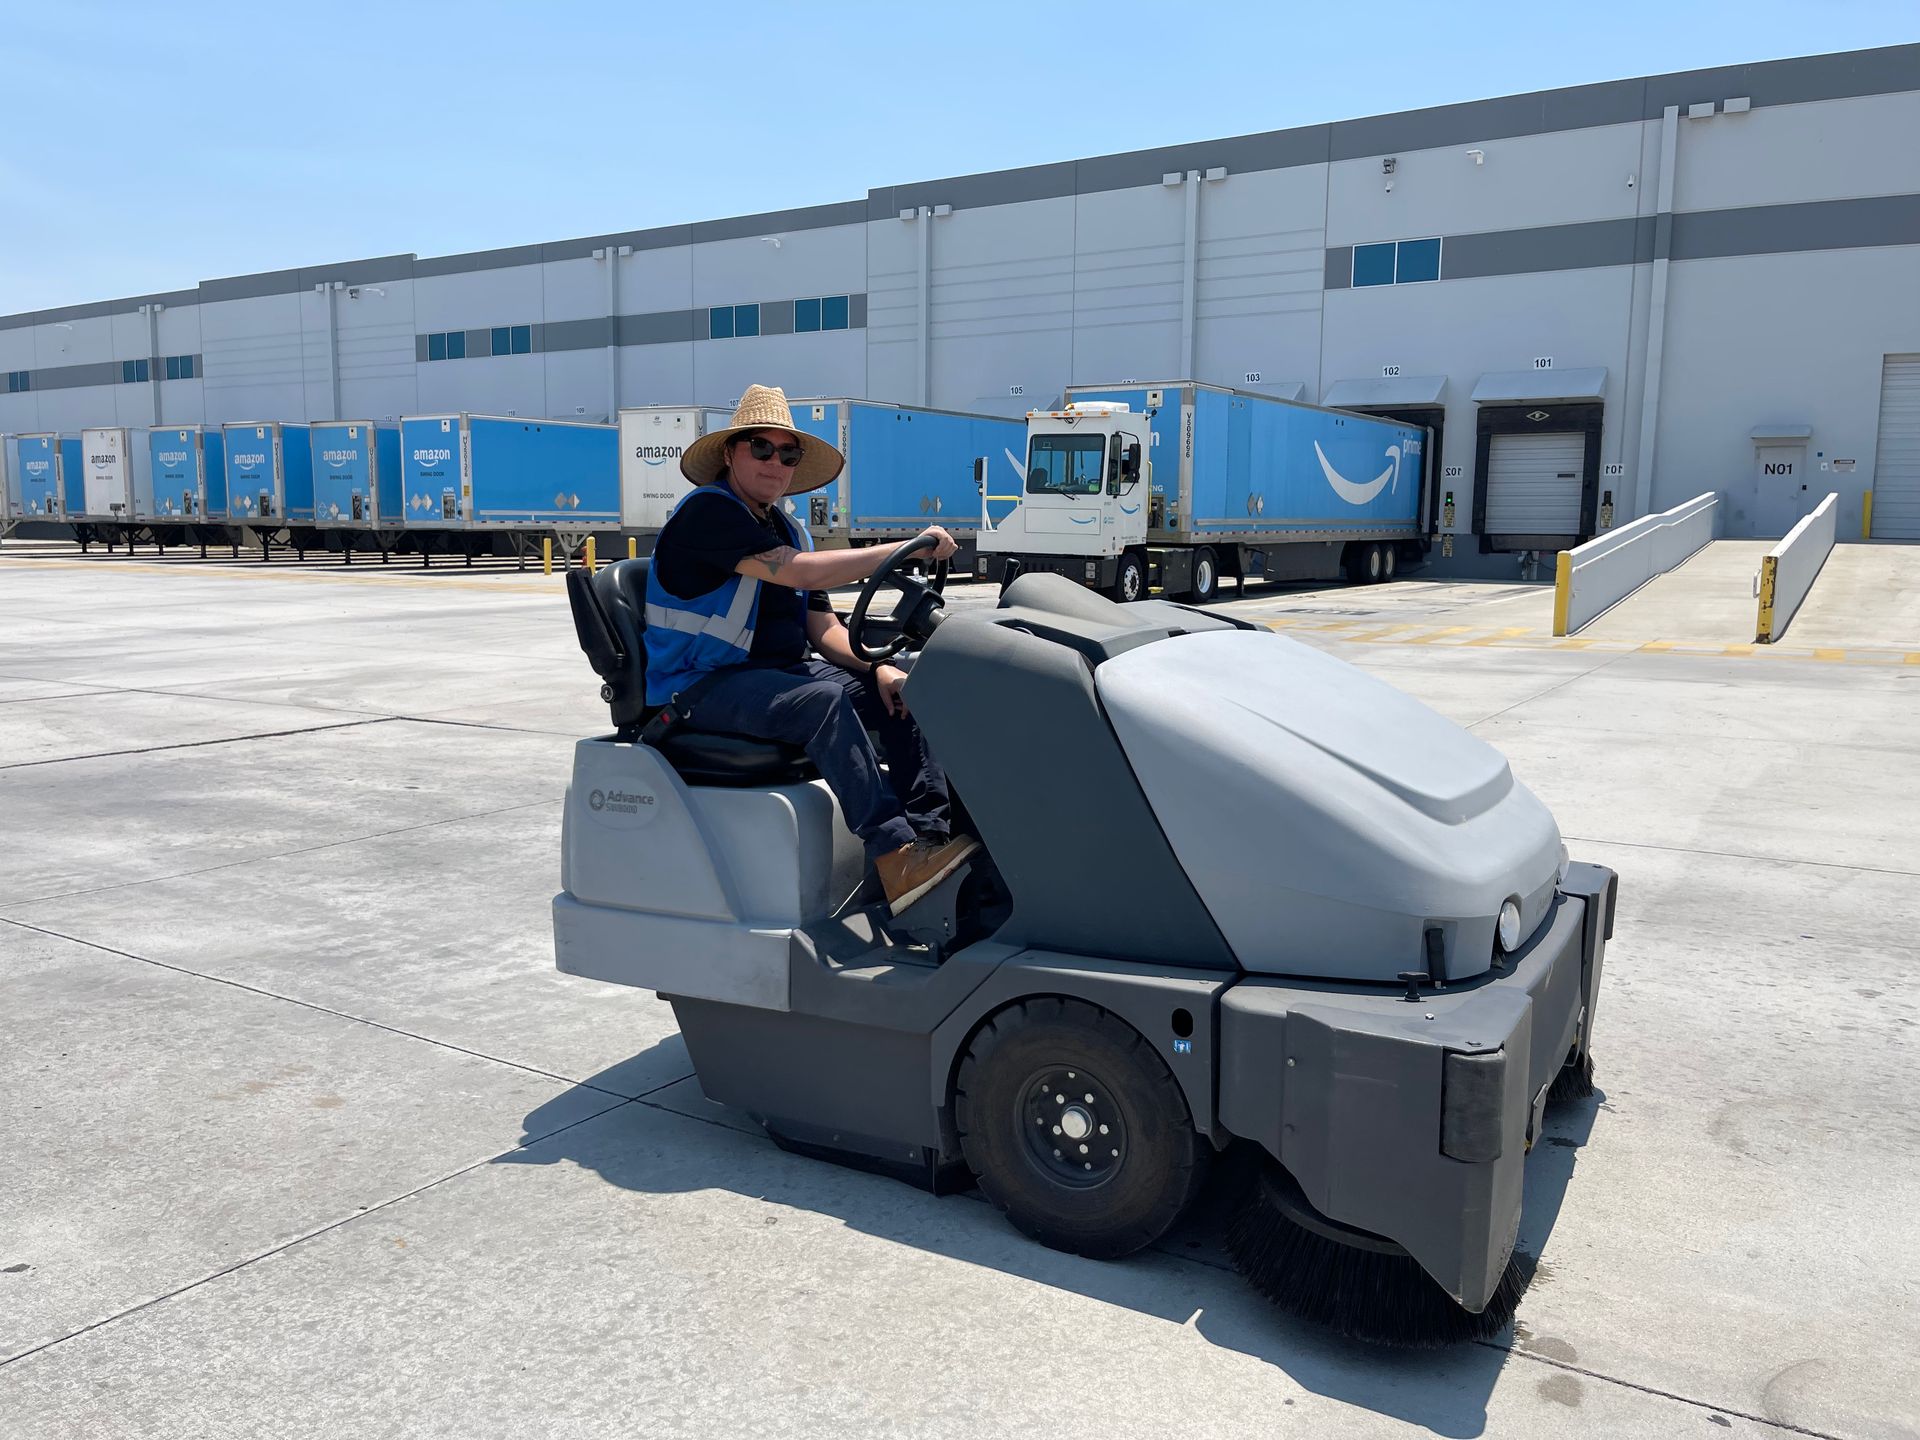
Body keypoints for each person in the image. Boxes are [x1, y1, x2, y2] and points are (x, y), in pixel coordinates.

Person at [645, 385, 979, 913]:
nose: (774, 462)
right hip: (698, 686)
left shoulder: (787, 527)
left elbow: (822, 627)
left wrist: (883, 668)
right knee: (820, 703)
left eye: (787, 453)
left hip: (773, 675)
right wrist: (903, 548)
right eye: (761, 448)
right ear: (731, 452)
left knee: (910, 686)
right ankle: (895, 855)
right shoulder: (708, 514)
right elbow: (797, 572)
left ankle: (931, 840)